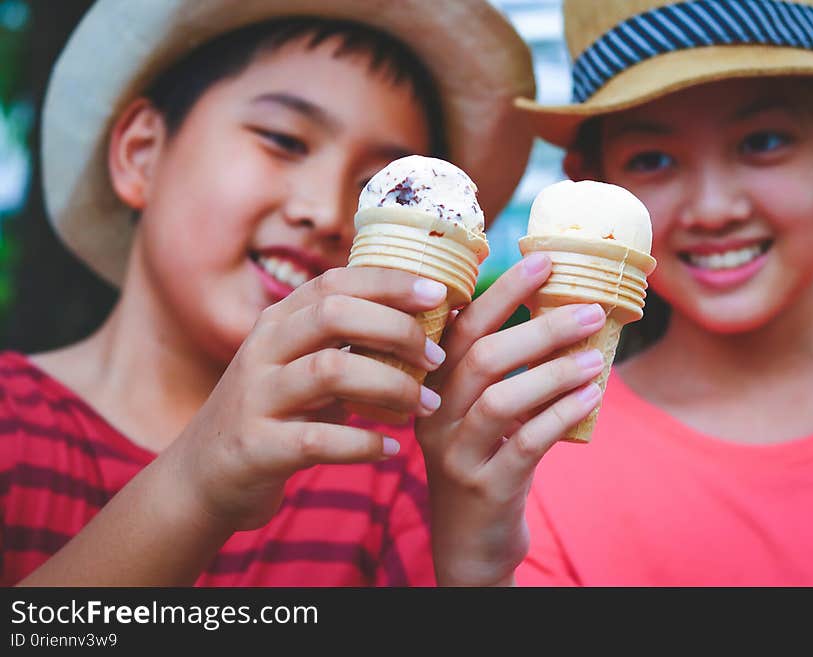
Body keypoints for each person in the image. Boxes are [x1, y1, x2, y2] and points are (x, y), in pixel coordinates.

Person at [0, 0, 549, 586]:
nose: (326, 212)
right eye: (284, 140)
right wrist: (193, 483)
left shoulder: (396, 472)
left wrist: (475, 572)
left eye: (377, 189)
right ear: (141, 152)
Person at [502, 0, 813, 585]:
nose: (713, 209)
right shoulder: (528, 469)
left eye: (763, 141)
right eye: (653, 158)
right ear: (594, 189)